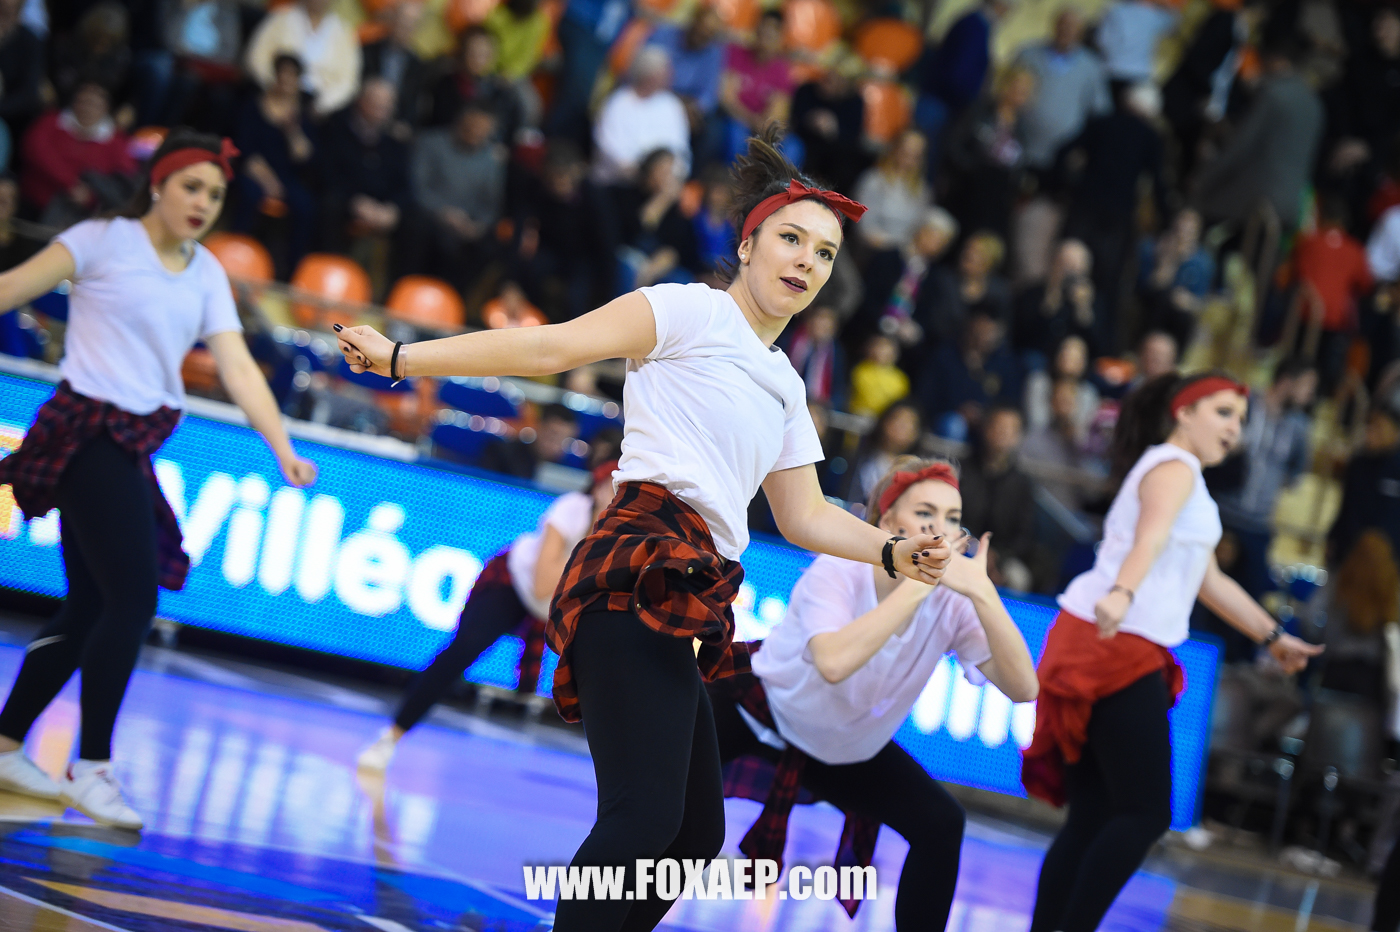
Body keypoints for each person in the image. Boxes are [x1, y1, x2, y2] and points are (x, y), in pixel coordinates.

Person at [334, 128, 950, 932]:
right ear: (748, 244)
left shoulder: (785, 385)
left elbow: (804, 515)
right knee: (646, 819)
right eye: (792, 239)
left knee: (691, 836)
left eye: (825, 253)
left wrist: (894, 551)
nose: (806, 261)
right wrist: (400, 358)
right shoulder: (687, 310)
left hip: (693, 590)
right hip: (636, 565)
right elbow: (550, 347)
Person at [0, 130, 317, 830]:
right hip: (84, 434)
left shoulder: (206, 272)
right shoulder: (100, 240)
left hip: (131, 444)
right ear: (158, 185)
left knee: (91, 603)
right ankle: (92, 768)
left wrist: (282, 448)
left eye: (215, 194)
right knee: (132, 599)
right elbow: (9, 289)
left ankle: (6, 743)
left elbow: (238, 367)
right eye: (191, 187)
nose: (203, 203)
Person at [1023, 371, 1322, 932]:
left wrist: (1272, 636)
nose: (1234, 428)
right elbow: (1151, 538)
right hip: (1115, 641)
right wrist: (1122, 592)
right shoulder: (1174, 467)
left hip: (1105, 636)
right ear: (1184, 412)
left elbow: (1208, 580)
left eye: (1241, 419)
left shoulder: (1182, 476)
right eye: (1223, 413)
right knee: (1145, 812)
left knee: (1094, 815)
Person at [710, 458, 1039, 931]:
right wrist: (917, 586)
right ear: (887, 523)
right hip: (759, 709)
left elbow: (1024, 688)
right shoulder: (840, 568)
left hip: (841, 746)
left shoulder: (953, 602)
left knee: (941, 824)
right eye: (925, 513)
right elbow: (833, 663)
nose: (940, 529)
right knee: (676, 817)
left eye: (952, 518)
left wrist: (984, 593)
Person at [358, 461, 620, 771]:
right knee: (464, 649)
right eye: (611, 487)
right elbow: (541, 585)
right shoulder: (572, 508)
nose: (615, 496)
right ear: (597, 487)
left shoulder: (626, 537)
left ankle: (620, 775)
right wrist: (595, 554)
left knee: (607, 677)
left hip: (559, 606)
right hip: (515, 583)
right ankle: (391, 736)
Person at [1191, 38, 1323, 232]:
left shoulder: (1274, 93)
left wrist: (1203, 178)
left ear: (1278, 60)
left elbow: (1240, 146)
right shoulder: (1315, 104)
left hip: (1254, 200)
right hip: (1289, 207)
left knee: (1201, 217)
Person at [231, 54, 317, 276]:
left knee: (305, 206)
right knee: (249, 194)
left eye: (292, 76)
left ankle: (292, 272)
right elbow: (245, 151)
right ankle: (235, 256)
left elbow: (304, 158)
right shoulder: (253, 106)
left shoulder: (303, 114)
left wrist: (293, 131)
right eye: (283, 74)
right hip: (255, 171)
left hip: (287, 176)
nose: (287, 80)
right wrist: (268, 181)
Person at [410, 102, 506, 293]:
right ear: (461, 121)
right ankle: (410, 290)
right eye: (473, 126)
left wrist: (477, 226)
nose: (476, 132)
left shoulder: (491, 160)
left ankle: (454, 298)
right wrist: (443, 212)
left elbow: (491, 205)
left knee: (488, 247)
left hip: (466, 225)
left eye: (483, 130)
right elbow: (417, 188)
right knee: (420, 230)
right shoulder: (431, 142)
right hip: (431, 215)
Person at [20, 80, 136, 225]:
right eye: (84, 102)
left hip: (87, 215)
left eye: (94, 104)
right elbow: (35, 152)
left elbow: (123, 181)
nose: (88, 108)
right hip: (35, 204)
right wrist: (70, 184)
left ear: (106, 108)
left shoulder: (117, 141)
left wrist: (92, 197)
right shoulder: (50, 122)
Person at [1013, 9, 1110, 172]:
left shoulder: (1091, 66)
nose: (1066, 31)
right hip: (1020, 145)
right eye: (1063, 25)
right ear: (1054, 26)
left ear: (1080, 32)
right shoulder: (1029, 55)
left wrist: (1084, 148)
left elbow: (1100, 111)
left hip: (1063, 157)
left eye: (1073, 27)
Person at [958, 405, 1036, 590]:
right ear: (986, 428)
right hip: (959, 546)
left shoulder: (1022, 483)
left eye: (1011, 429)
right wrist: (974, 547)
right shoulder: (961, 470)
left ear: (1019, 436)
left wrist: (997, 555)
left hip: (1001, 557)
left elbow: (1024, 535)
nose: (1003, 434)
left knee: (1019, 578)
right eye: (999, 426)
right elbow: (951, 517)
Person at [593, 46, 692, 185]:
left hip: (662, 181)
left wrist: (670, 172)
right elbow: (607, 145)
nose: (670, 76)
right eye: (664, 72)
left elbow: (680, 148)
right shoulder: (618, 102)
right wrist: (640, 173)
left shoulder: (671, 104)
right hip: (620, 181)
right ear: (649, 76)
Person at [244, 0, 360, 118]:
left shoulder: (343, 30)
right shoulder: (281, 18)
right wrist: (276, 89)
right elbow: (256, 59)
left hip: (317, 108)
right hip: (274, 99)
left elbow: (348, 81)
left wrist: (321, 106)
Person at [428, 27, 524, 144]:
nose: (479, 60)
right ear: (462, 53)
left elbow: (506, 130)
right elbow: (440, 122)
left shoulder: (500, 90)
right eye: (474, 53)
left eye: (485, 54)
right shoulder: (444, 85)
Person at [1137, 208, 1214, 352]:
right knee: (1162, 298)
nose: (1183, 236)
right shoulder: (1154, 248)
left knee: (1183, 317)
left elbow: (1203, 303)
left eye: (1188, 232)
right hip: (1156, 305)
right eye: (1179, 231)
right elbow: (1152, 286)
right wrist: (1170, 259)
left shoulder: (1203, 262)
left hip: (1183, 313)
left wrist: (1187, 301)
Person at [853, 130, 932, 259]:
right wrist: (894, 248)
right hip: (871, 252)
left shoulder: (922, 191)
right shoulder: (873, 180)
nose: (908, 159)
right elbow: (865, 227)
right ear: (895, 149)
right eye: (905, 152)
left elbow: (918, 231)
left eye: (915, 155)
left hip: (905, 256)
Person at [361, 0, 429, 130]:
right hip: (364, 118)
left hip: (394, 127)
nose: (404, 29)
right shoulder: (367, 51)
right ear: (392, 21)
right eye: (402, 23)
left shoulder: (418, 66)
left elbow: (413, 105)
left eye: (411, 25)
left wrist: (404, 124)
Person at [845, 400, 923, 506]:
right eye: (897, 419)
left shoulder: (917, 472)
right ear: (884, 422)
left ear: (916, 433)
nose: (901, 426)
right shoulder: (858, 460)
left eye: (908, 423)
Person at [478, 402, 578, 479]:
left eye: (565, 440)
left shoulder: (568, 473)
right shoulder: (501, 453)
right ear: (539, 426)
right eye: (553, 435)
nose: (557, 445)